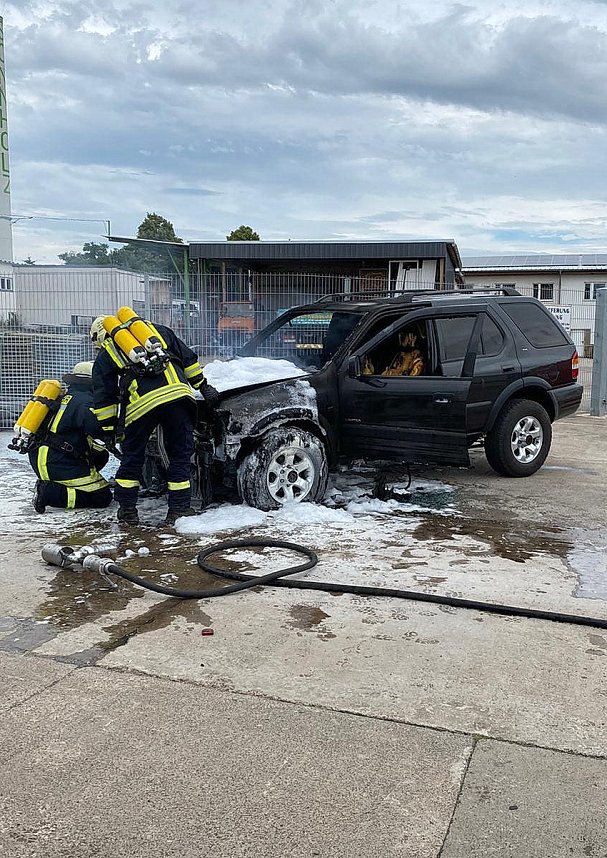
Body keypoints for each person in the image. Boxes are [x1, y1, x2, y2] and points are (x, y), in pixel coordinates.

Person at [90, 315, 219, 525]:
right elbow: (187, 359)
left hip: (142, 407)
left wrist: (109, 429)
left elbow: (105, 396)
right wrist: (203, 386)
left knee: (132, 458)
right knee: (179, 455)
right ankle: (179, 510)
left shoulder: (107, 353)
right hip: (178, 397)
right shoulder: (158, 332)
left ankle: (128, 511)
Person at [28, 361, 112, 513]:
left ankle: (54, 485)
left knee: (100, 454)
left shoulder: (60, 398)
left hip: (42, 459)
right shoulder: (86, 402)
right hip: (57, 463)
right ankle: (49, 493)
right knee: (103, 496)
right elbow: (100, 432)